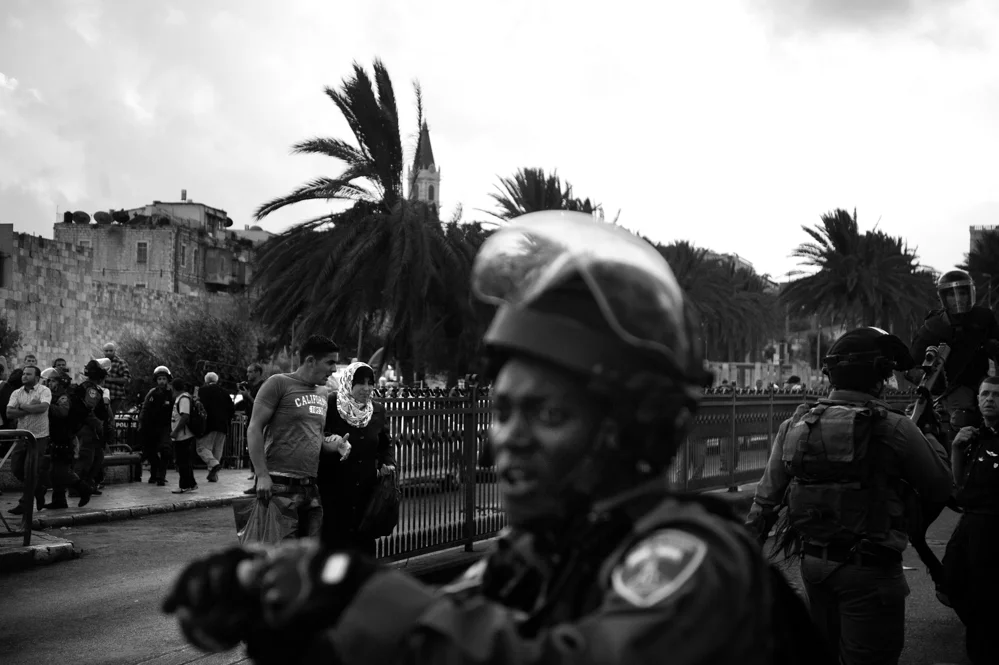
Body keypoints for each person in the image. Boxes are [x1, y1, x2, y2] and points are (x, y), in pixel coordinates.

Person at [163, 211, 823, 665]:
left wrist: (354, 588)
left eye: (549, 415)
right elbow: (443, 637)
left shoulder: (691, 558)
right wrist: (284, 622)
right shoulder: (532, 557)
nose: (508, 440)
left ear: (632, 427)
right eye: (503, 411)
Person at [745, 326, 954, 665]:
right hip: (870, 573)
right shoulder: (895, 427)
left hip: (813, 565)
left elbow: (765, 501)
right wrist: (931, 435)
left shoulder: (796, 424)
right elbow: (941, 486)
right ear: (879, 376)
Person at [245, 335, 344, 540]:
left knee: (308, 561)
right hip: (280, 486)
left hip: (311, 488)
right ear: (310, 361)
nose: (334, 369)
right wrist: (262, 475)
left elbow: (315, 436)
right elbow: (254, 427)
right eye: (330, 362)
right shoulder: (278, 384)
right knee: (282, 562)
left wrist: (334, 445)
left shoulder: (323, 393)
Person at [942, 375, 999, 664]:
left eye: (996, 395)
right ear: (977, 400)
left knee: (984, 593)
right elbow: (959, 484)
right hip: (969, 524)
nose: (990, 399)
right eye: (985, 394)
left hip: (992, 526)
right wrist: (955, 449)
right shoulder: (974, 435)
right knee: (950, 580)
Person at [910, 269, 999, 442]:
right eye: (951, 294)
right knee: (963, 420)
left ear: (970, 294)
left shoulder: (983, 317)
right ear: (943, 298)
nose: (958, 299)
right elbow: (911, 365)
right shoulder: (933, 326)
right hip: (951, 389)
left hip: (982, 380)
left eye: (963, 293)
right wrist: (935, 384)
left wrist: (993, 347)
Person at [318, 362, 396, 556]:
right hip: (335, 492)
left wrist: (388, 464)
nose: (367, 388)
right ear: (348, 382)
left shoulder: (377, 411)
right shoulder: (330, 404)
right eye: (361, 383)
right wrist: (334, 444)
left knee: (363, 554)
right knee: (334, 552)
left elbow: (385, 444)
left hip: (366, 494)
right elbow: (318, 437)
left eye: (371, 383)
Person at [42, 367, 93, 509]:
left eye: (52, 381)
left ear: (60, 382)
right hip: (57, 438)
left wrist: (47, 407)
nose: (49, 383)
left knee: (62, 471)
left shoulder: (64, 397)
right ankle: (59, 500)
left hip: (66, 439)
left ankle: (84, 489)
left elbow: (63, 412)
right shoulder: (53, 395)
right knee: (54, 471)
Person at [5, 365, 51, 515]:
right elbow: (9, 413)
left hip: (39, 437)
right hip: (22, 435)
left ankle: (24, 504)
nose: (24, 376)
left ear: (36, 377)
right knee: (16, 468)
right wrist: (29, 407)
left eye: (28, 374)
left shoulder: (44, 391)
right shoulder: (16, 392)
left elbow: (42, 408)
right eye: (23, 374)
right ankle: (39, 489)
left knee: (29, 471)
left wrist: (23, 407)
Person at [139, 366, 175, 486]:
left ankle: (161, 476)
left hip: (165, 426)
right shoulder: (152, 393)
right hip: (151, 426)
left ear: (168, 379)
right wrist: (141, 423)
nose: (161, 381)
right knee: (150, 451)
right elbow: (145, 409)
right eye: (159, 379)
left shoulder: (172, 394)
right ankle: (154, 474)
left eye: (164, 378)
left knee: (165, 450)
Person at [196, 372, 235, 483]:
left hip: (209, 424)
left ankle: (214, 464)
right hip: (223, 426)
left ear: (206, 381)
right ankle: (213, 475)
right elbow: (231, 409)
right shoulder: (224, 392)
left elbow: (199, 406)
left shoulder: (203, 390)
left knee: (202, 448)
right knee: (217, 450)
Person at [170, 378, 199, 494]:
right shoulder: (182, 398)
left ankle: (184, 485)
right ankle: (191, 484)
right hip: (182, 435)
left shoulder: (183, 399)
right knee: (184, 460)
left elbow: (185, 416)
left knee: (182, 461)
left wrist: (176, 431)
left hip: (183, 435)